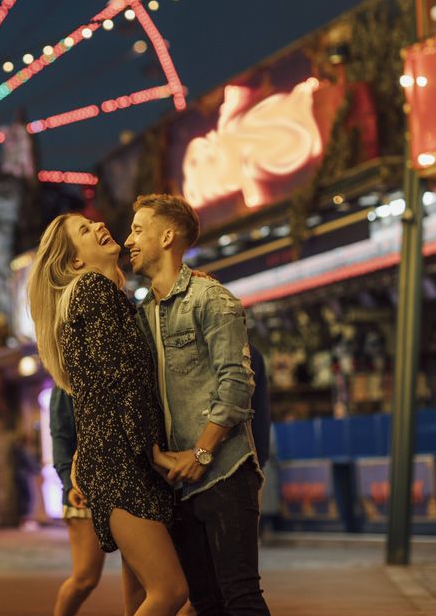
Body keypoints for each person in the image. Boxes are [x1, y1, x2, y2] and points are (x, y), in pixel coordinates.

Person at [29, 214, 189, 616]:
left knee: (144, 595)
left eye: (91, 222)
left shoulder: (103, 295)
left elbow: (102, 389)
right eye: (84, 230)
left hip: (117, 461)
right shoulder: (92, 292)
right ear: (74, 262)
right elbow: (122, 384)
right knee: (170, 591)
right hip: (123, 465)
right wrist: (153, 451)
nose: (98, 224)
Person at [126, 194, 271, 615]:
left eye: (138, 230)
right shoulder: (142, 315)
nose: (128, 240)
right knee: (205, 602)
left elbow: (238, 383)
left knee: (241, 596)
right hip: (176, 481)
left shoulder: (211, 299)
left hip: (224, 472)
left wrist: (201, 451)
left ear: (167, 235)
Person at [49, 387, 146, 616]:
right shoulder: (65, 381)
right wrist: (70, 483)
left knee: (138, 580)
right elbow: (60, 436)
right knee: (85, 578)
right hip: (83, 491)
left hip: (125, 484)